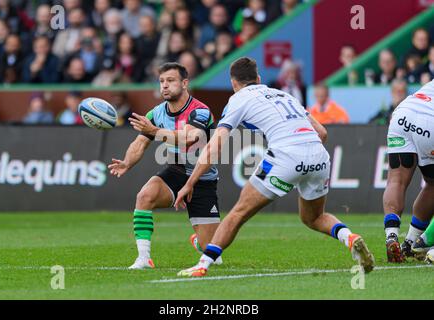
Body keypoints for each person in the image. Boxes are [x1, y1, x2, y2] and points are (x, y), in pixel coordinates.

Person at [174, 57, 374, 277]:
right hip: (318, 154)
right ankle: (350, 238)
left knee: (238, 213)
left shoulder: (238, 99)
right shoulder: (284, 95)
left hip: (285, 155)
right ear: (258, 79)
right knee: (314, 217)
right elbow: (322, 133)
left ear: (234, 83)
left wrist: (191, 182)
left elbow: (215, 145)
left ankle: (202, 265)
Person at [107, 62, 222, 270]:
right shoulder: (157, 113)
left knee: (210, 247)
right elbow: (139, 143)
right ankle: (144, 258)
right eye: (161, 81)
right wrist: (127, 163)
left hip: (201, 178)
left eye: (170, 81)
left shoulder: (201, 111)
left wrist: (154, 131)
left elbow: (189, 139)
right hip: (176, 171)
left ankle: (199, 242)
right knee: (144, 196)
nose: (165, 86)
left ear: (185, 83)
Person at [383, 79, 434, 262]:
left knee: (396, 180)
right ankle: (412, 241)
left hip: (404, 113)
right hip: (430, 121)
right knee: (432, 185)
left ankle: (392, 235)